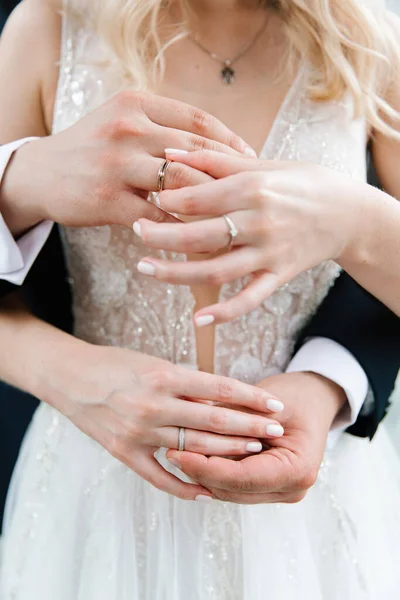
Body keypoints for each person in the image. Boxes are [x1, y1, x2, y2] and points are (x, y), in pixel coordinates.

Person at [0, 0, 399, 598]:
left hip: (313, 503)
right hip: (94, 487)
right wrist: (18, 178)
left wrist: (353, 225)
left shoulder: (371, 38)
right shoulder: (51, 23)